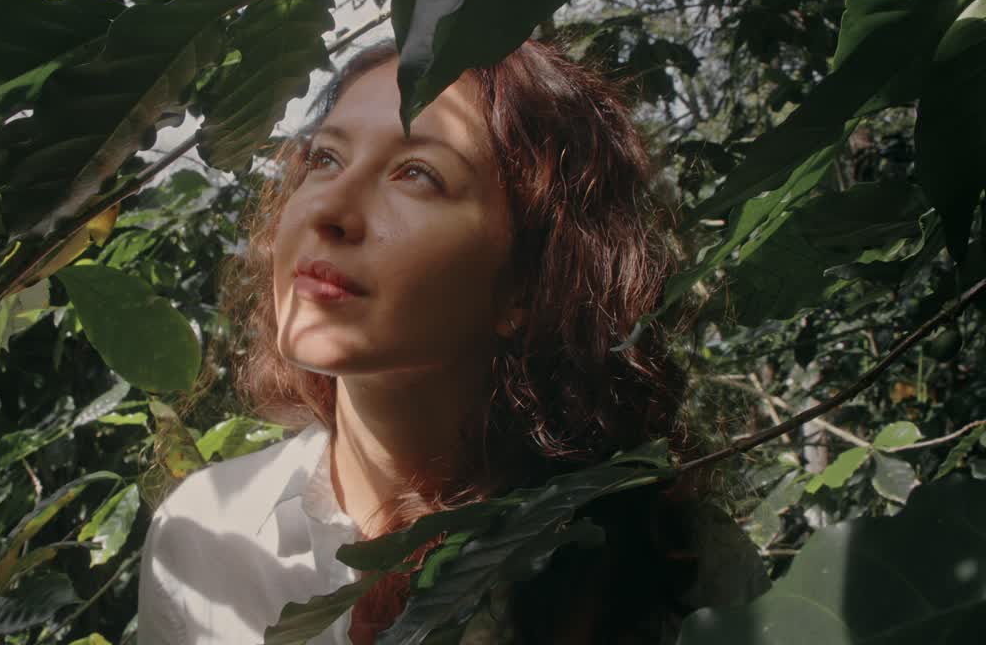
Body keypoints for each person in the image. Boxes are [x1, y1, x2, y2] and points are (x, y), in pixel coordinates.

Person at [136, 38, 699, 644]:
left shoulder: (677, 562)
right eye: (325, 159)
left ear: (530, 284)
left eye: (417, 175)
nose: (330, 209)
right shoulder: (205, 536)